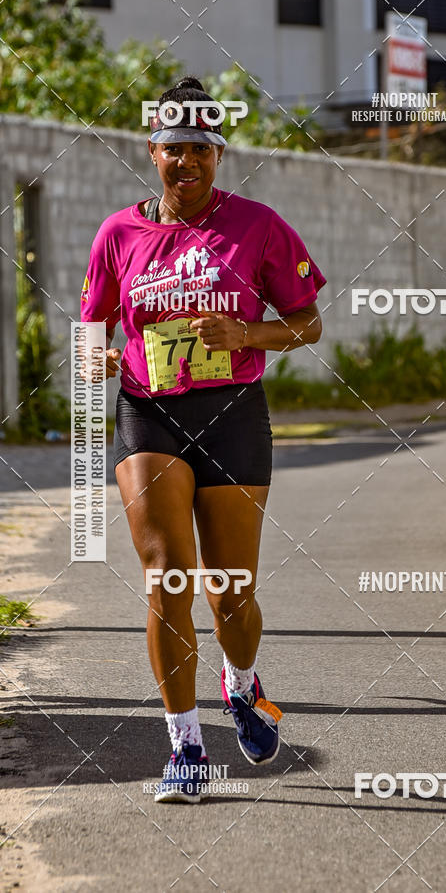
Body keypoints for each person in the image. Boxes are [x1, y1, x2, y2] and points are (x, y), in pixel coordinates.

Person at [80, 76, 325, 803]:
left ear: (219, 155)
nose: (186, 161)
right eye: (174, 148)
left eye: (201, 149)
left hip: (233, 413)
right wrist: (94, 356)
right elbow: (92, 323)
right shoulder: (118, 234)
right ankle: (185, 744)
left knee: (231, 594)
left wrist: (246, 333)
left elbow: (308, 322)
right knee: (166, 576)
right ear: (151, 150)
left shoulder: (258, 226)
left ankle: (242, 684)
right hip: (148, 413)